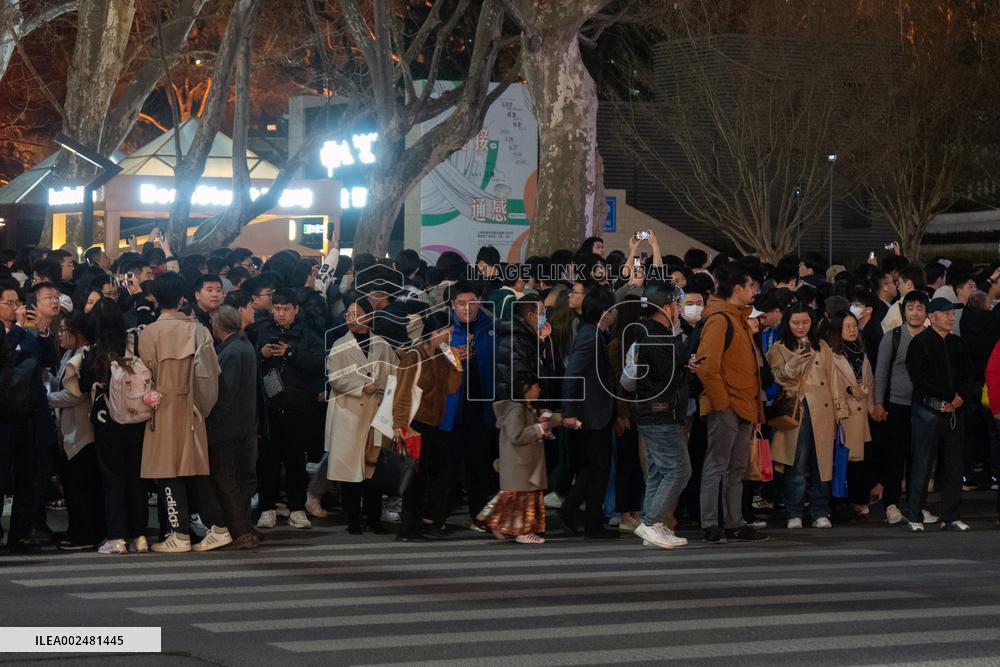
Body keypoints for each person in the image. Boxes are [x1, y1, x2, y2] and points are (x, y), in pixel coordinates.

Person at [139, 272, 227, 553]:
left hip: (160, 407)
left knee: (166, 470)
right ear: (182, 298)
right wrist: (202, 407)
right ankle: (217, 527)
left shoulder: (149, 333)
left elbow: (144, 375)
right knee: (197, 469)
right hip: (192, 408)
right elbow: (212, 376)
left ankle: (179, 533)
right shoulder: (198, 330)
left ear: (155, 298)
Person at [694, 263, 767, 542]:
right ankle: (711, 523)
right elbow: (706, 367)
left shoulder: (737, 317)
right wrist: (722, 403)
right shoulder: (721, 319)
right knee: (718, 464)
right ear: (737, 287)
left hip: (743, 404)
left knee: (736, 467)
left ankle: (734, 522)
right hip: (727, 405)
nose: (754, 291)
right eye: (751, 286)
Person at [79, 299, 149, 554]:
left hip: (106, 422)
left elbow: (84, 385)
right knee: (136, 478)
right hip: (136, 419)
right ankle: (140, 536)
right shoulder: (133, 345)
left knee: (113, 478)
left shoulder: (93, 352)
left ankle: (117, 536)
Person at [767, 303, 842, 530]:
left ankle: (820, 510)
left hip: (823, 409)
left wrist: (840, 411)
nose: (801, 327)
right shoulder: (778, 348)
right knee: (796, 464)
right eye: (796, 323)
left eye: (805, 322)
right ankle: (794, 511)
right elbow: (779, 378)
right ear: (787, 324)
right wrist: (794, 362)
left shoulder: (822, 346)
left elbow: (833, 380)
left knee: (822, 463)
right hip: (795, 410)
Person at [325, 298, 397, 534]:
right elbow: (335, 377)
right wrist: (359, 387)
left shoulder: (382, 345)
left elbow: (395, 374)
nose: (351, 319)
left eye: (357, 314)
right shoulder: (339, 345)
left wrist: (383, 386)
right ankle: (353, 520)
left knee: (373, 470)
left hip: (376, 414)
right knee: (350, 472)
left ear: (369, 316)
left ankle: (374, 518)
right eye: (348, 314)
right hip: (349, 414)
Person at [255, 288, 325, 530]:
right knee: (268, 461)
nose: (281, 313)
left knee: (296, 461)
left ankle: (297, 508)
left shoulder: (309, 336)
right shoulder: (264, 333)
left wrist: (291, 352)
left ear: (296, 309)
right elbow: (253, 366)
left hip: (299, 407)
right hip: (270, 407)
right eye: (277, 308)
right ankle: (267, 507)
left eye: (286, 309)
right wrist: (262, 354)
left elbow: (319, 365)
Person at [904, 297, 976, 532]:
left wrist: (958, 400)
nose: (951, 317)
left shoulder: (958, 343)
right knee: (922, 464)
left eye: (952, 314)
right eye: (946, 313)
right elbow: (919, 378)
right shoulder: (920, 343)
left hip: (954, 411)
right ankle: (915, 515)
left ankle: (951, 516)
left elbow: (969, 375)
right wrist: (943, 401)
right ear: (932, 317)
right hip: (928, 410)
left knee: (954, 465)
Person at [629, 283, 691, 550]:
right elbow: (669, 377)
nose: (679, 309)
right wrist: (687, 367)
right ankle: (651, 522)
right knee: (679, 469)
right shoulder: (658, 336)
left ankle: (651, 525)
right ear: (666, 308)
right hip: (660, 413)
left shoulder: (650, 333)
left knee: (657, 471)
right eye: (677, 304)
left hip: (653, 413)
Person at [392, 310, 463, 541]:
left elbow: (452, 388)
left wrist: (456, 363)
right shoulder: (415, 355)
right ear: (436, 332)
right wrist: (400, 425)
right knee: (415, 478)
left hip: (433, 424)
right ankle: (408, 528)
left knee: (440, 471)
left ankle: (423, 520)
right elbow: (402, 391)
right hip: (414, 423)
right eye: (448, 332)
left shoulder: (442, 357)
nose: (450, 337)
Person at [559, 284, 617, 539]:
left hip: (597, 412)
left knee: (596, 468)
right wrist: (569, 412)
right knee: (596, 468)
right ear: (605, 312)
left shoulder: (594, 333)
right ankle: (579, 516)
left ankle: (581, 517)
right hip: (590, 413)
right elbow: (572, 375)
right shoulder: (590, 335)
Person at [478, 374, 562, 544]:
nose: (539, 389)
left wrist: (563, 419)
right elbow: (517, 436)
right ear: (526, 389)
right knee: (522, 499)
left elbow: (545, 417)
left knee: (514, 498)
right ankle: (523, 531)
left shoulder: (526, 408)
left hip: (523, 463)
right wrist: (538, 428)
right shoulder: (516, 410)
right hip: (520, 462)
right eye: (536, 386)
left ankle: (497, 522)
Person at [872, 290, 932, 525]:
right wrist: (878, 402)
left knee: (920, 459)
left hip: (925, 406)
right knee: (895, 457)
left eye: (919, 308)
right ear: (903, 311)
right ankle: (891, 504)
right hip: (896, 405)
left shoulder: (931, 337)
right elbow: (881, 371)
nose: (915, 313)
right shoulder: (892, 337)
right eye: (910, 308)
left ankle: (917, 506)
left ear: (926, 312)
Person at [47, 313, 104, 550]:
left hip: (83, 432)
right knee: (72, 486)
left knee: (81, 487)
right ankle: (77, 531)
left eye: (63, 330)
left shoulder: (85, 356)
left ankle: (86, 535)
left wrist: (44, 399)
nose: (59, 334)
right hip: (70, 430)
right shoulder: (69, 355)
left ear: (78, 332)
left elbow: (75, 394)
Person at [206, 306, 259, 550]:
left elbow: (224, 394)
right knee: (242, 480)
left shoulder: (232, 352)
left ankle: (241, 532)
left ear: (220, 326)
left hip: (228, 429)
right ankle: (245, 527)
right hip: (246, 426)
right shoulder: (244, 346)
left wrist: (211, 420)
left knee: (227, 480)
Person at [827, 310, 875, 518]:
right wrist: (849, 391)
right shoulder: (831, 354)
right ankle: (838, 501)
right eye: (847, 326)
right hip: (842, 414)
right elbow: (830, 383)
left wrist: (872, 405)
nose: (852, 330)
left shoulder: (861, 353)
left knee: (859, 462)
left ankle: (858, 499)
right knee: (841, 459)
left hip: (862, 413)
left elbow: (870, 382)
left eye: (854, 326)